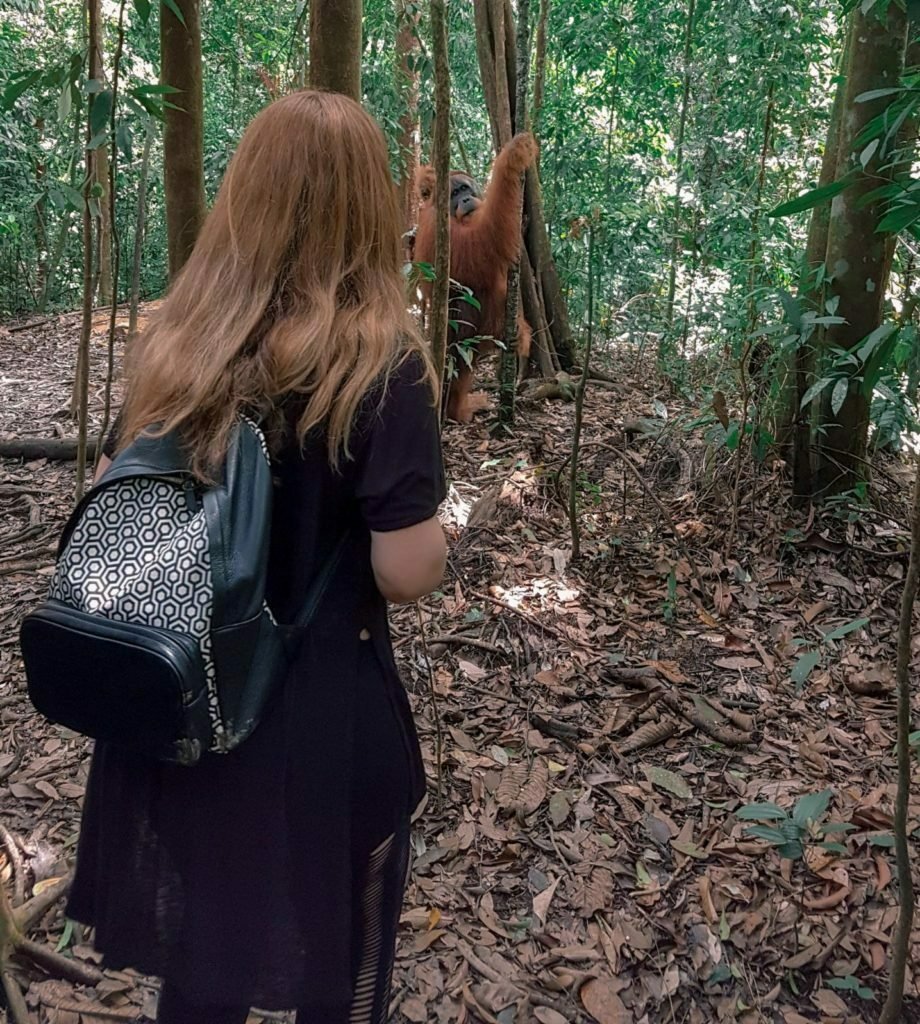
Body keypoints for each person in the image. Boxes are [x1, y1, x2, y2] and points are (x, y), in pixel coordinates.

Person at [66, 90, 448, 1024]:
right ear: (369, 207)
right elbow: (405, 570)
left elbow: (116, 500)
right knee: (341, 967)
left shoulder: (179, 342)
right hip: (318, 720)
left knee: (201, 970)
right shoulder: (380, 363)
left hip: (184, 704)